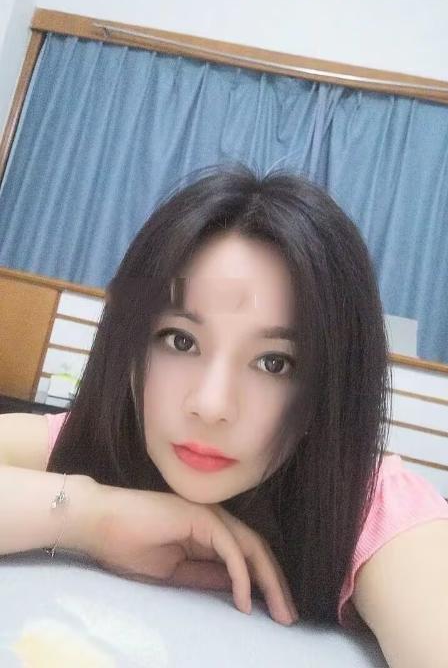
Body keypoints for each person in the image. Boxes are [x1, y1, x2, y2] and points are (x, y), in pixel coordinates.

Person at [1, 162, 447, 643]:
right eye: (180, 341)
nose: (211, 405)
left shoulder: (374, 510)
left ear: (330, 388)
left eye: (274, 363)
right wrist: (91, 514)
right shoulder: (101, 440)